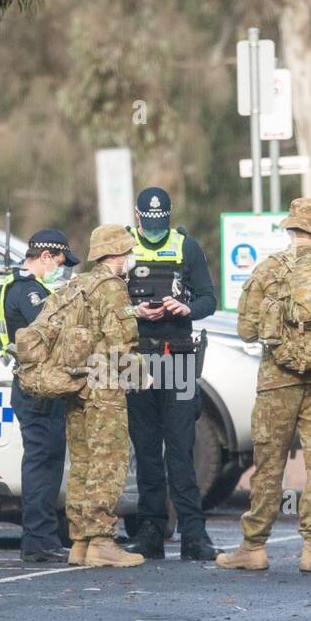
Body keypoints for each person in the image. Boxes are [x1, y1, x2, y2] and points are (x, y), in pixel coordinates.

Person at [216, 198, 311, 573]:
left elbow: (246, 329)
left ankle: (254, 547)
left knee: (269, 465)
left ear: (291, 230)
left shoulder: (268, 270)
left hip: (277, 380)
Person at [121, 186, 220, 561]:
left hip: (176, 355)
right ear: (137, 215)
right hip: (135, 359)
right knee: (145, 449)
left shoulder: (187, 247)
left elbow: (210, 298)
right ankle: (150, 530)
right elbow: (103, 301)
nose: (154, 227)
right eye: (149, 221)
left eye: (160, 221)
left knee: (181, 448)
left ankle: (194, 534)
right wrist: (135, 312)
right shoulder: (124, 246)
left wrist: (185, 308)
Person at [64, 224, 146, 568]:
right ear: (116, 256)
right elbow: (120, 345)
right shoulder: (113, 289)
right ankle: (102, 541)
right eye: (128, 252)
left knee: (82, 462)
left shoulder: (78, 284)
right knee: (108, 463)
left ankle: (79, 542)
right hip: (104, 386)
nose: (130, 258)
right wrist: (144, 376)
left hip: (76, 384)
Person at [0, 229, 78, 563]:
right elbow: (51, 333)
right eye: (60, 263)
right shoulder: (25, 290)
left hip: (41, 386)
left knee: (47, 461)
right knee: (41, 464)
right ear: (45, 257)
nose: (63, 269)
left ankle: (42, 537)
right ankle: (37, 539)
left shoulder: (26, 286)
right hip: (36, 388)